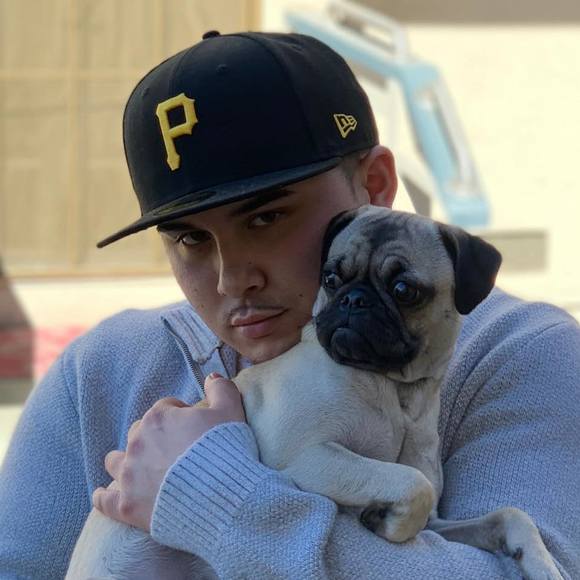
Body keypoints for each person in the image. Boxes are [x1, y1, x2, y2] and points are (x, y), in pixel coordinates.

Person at [0, 30, 578, 580]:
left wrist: (213, 497)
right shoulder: (97, 374)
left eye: (267, 217)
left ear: (376, 185)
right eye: (190, 238)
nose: (232, 280)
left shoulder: (522, 355)